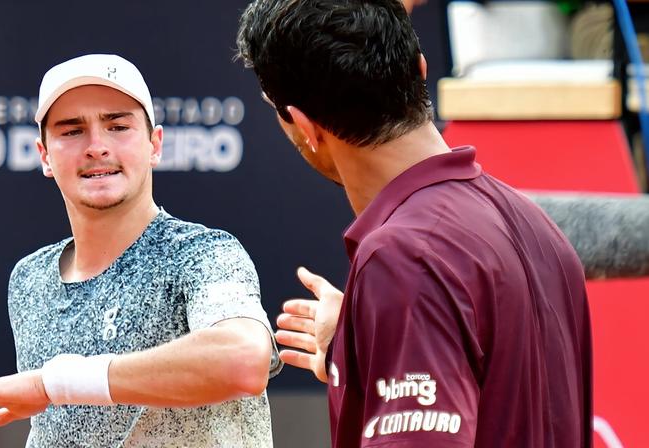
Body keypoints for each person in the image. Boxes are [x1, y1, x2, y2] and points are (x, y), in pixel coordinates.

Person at [236, 1, 592, 447]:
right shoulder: (538, 228)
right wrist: (357, 345)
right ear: (420, 70)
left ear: (306, 127)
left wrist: (392, 311)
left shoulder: (404, 259)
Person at [0, 53, 282, 447]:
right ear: (44, 156)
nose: (96, 147)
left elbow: (242, 360)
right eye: (72, 131)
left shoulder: (203, 254)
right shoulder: (30, 279)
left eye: (118, 126)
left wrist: (52, 384)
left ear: (155, 145)